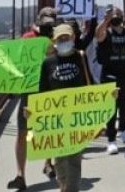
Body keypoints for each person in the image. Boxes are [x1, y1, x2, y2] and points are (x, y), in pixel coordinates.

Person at [37, 23, 95, 192]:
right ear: (54, 40)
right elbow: (42, 91)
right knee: (60, 157)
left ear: (73, 38)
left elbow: (90, 83)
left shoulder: (81, 57)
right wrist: (35, 112)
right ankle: (63, 185)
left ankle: (71, 189)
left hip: (77, 116)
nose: (63, 40)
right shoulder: (48, 63)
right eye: (60, 38)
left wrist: (107, 97)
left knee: (75, 156)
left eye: (66, 37)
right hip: (56, 118)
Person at [7, 7, 58, 191]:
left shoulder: (59, 39)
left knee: (49, 131)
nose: (48, 27)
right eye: (46, 24)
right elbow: (14, 58)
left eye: (51, 24)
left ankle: (48, 162)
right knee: (22, 132)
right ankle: (20, 174)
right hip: (30, 92)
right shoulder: (28, 38)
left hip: (50, 93)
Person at [95, 6, 125, 154]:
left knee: (124, 104)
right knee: (111, 108)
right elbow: (98, 35)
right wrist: (106, 20)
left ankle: (123, 129)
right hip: (109, 75)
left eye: (119, 15)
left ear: (124, 17)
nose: (116, 17)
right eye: (113, 16)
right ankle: (111, 139)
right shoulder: (107, 32)